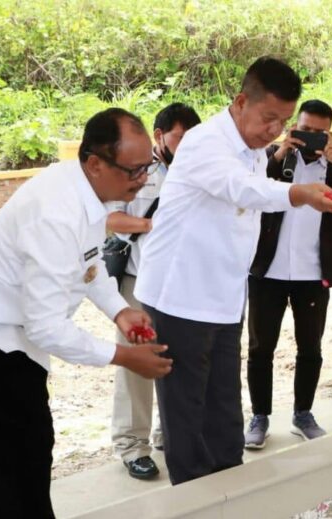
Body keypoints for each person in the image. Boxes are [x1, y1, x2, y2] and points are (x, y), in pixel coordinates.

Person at [0, 108, 173, 518]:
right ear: (95, 162)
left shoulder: (86, 190)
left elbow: (90, 265)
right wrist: (123, 356)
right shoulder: (57, 211)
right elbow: (47, 327)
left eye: (147, 165)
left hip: (8, 333)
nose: (143, 179)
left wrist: (120, 312)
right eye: (133, 170)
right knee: (25, 457)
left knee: (4, 458)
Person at [135, 57, 332, 485]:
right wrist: (300, 192)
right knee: (186, 412)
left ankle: (232, 492)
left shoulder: (251, 148)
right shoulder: (204, 142)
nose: (274, 130)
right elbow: (244, 189)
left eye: (282, 121)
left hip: (226, 296)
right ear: (240, 101)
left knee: (226, 408)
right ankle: (194, 503)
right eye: (269, 117)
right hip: (181, 296)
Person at [244, 100, 332, 449]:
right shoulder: (271, 157)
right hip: (268, 270)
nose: (309, 137)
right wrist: (279, 156)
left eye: (318, 133)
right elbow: (252, 191)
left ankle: (302, 414)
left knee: (311, 347)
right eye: (304, 129)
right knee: (261, 347)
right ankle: (259, 416)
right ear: (294, 125)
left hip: (313, 272)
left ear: (329, 133)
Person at [107, 102, 201, 480]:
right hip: (139, 284)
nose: (187, 144)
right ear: (160, 136)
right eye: (181, 137)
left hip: (184, 285)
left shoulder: (199, 171)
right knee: (136, 362)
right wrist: (152, 224)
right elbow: (109, 218)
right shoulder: (136, 172)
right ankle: (132, 445)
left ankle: (167, 432)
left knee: (175, 359)